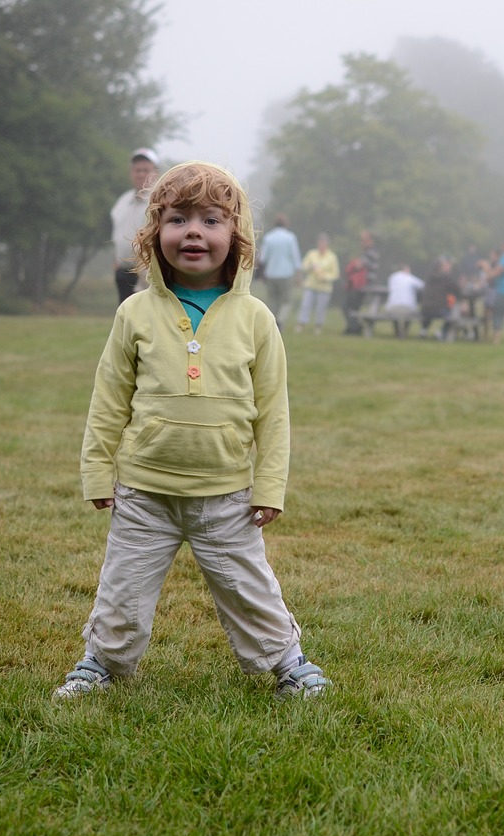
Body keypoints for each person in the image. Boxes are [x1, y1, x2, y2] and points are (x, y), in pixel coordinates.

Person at [54, 161, 330, 703]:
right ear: (155, 234)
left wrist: (270, 485)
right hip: (144, 493)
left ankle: (286, 663)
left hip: (227, 495)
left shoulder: (256, 318)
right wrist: (97, 469)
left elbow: (274, 412)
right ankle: (102, 662)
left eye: (211, 219)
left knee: (249, 589)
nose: (194, 232)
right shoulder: (135, 312)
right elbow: (109, 397)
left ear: (238, 236)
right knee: (123, 589)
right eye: (178, 219)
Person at [109, 147, 159, 304]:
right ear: (131, 173)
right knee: (124, 319)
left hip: (147, 273)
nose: (141, 174)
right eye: (137, 170)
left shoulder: (158, 201)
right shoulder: (123, 201)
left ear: (155, 172)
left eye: (146, 170)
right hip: (123, 271)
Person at [256, 214, 302, 328]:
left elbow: (262, 258)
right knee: (286, 300)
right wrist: (298, 275)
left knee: (273, 299)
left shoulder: (269, 237)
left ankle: (273, 321)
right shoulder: (290, 237)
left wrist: (261, 275)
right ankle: (280, 320)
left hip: (271, 273)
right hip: (286, 273)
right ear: (286, 224)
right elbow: (295, 257)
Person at [295, 233, 340, 334]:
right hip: (311, 285)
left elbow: (335, 273)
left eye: (324, 242)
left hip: (324, 287)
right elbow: (303, 266)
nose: (322, 245)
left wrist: (326, 277)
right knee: (305, 305)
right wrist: (311, 267)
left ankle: (318, 326)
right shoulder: (312, 254)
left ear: (327, 244)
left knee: (321, 308)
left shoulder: (331, 257)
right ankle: (301, 324)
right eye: (320, 242)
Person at [343, 230, 379, 335]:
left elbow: (358, 265)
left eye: (364, 240)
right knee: (352, 307)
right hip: (361, 285)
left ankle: (355, 328)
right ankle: (353, 327)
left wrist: (353, 264)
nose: (362, 243)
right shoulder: (368, 253)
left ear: (371, 241)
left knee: (348, 307)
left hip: (363, 285)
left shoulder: (371, 253)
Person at [420, 256, 461, 340]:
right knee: (451, 314)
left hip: (425, 309)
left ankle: (423, 331)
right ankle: (441, 333)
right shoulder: (447, 277)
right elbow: (457, 290)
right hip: (439, 309)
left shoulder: (429, 277)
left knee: (430, 308)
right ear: (441, 267)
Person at [384, 262, 425, 338]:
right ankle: (404, 332)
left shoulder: (392, 277)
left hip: (391, 308)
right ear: (406, 269)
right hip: (407, 307)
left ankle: (397, 332)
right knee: (410, 312)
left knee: (395, 314)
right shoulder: (410, 278)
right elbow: (422, 285)